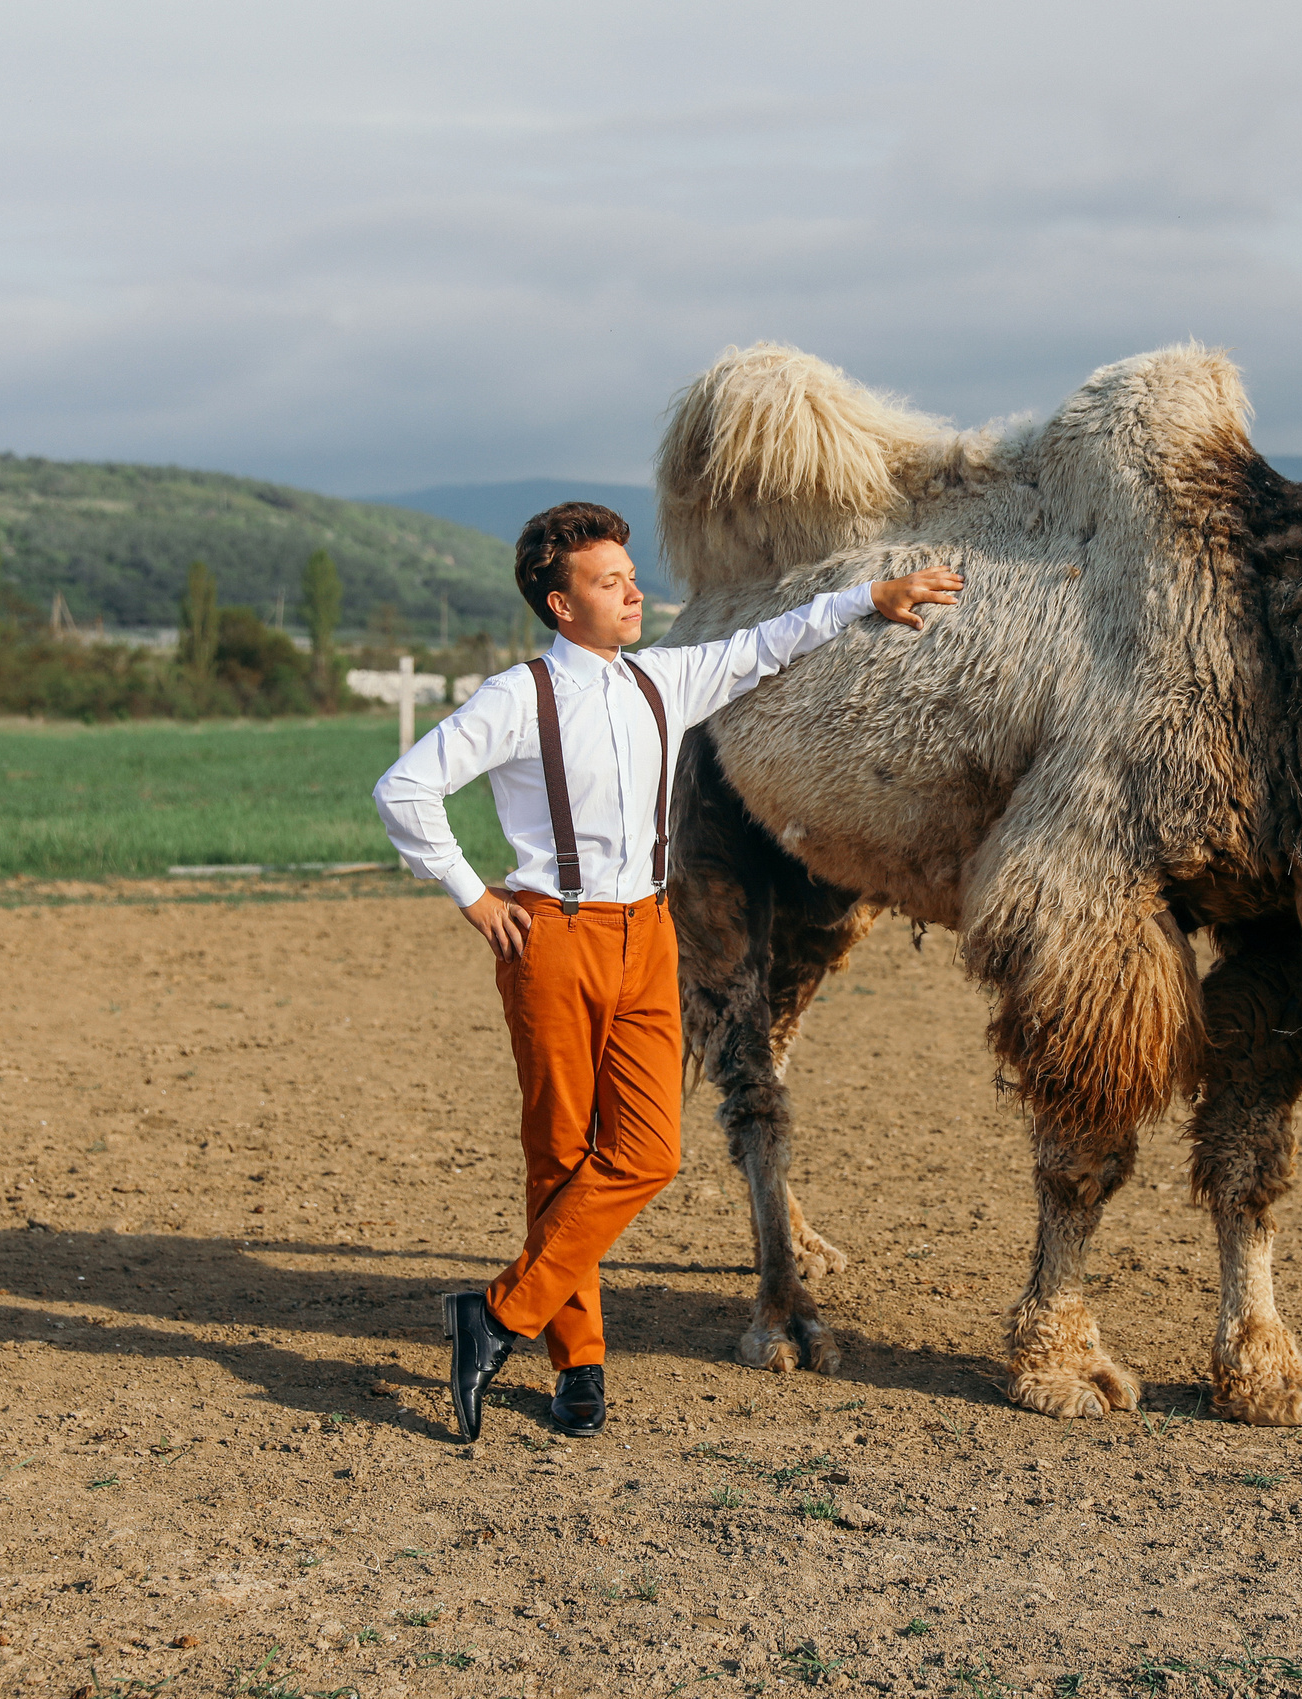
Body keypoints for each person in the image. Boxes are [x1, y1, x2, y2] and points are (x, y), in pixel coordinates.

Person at [373, 501, 962, 1442]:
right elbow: (404, 787)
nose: (633, 590)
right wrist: (473, 896)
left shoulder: (662, 682)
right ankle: (579, 1366)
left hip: (651, 934)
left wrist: (868, 598)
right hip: (552, 937)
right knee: (561, 1157)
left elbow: (772, 641)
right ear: (563, 605)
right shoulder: (516, 698)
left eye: (629, 574)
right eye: (610, 581)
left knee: (648, 1152)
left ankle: (495, 1314)